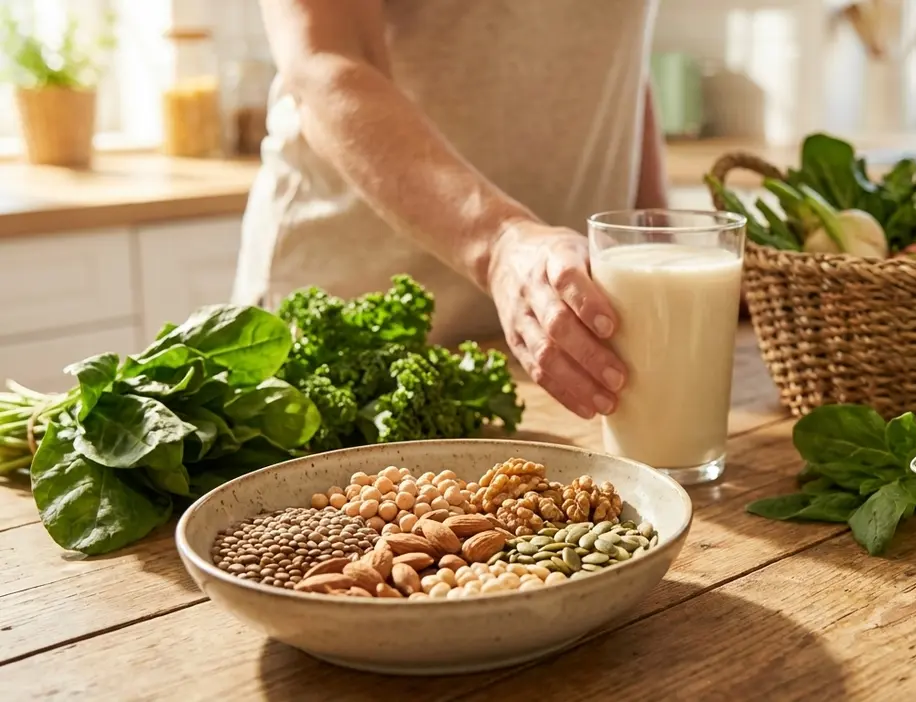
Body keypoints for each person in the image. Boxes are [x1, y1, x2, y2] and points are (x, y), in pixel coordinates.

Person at [232, 0, 667, 421]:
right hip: (356, 343)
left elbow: (620, 60)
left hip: (561, 344)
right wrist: (500, 243)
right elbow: (324, 64)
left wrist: (657, 242)